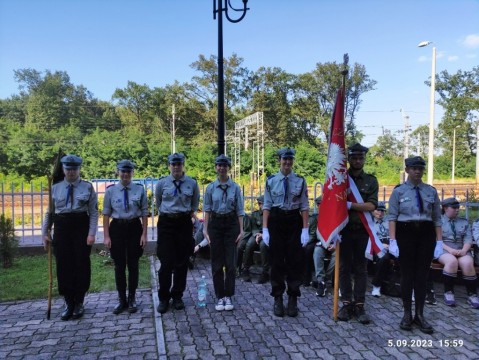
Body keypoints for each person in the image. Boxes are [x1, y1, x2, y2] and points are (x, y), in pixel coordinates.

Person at [388, 156, 442, 334]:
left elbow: (437, 218)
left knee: (422, 275)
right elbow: (392, 218)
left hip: (426, 233)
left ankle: (420, 314)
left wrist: (439, 241)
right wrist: (393, 240)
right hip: (405, 233)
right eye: (413, 168)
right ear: (407, 170)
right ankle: (406, 314)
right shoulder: (399, 192)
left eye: (420, 168)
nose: (417, 171)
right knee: (406, 275)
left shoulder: (430, 191)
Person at [42, 154, 98, 320]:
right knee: (63, 265)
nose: (71, 171)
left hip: (80, 226)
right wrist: (45, 232)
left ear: (79, 169)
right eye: (68, 168)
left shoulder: (87, 187)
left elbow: (94, 212)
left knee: (81, 264)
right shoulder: (55, 188)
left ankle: (79, 302)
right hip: (62, 227)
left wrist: (91, 233)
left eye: (74, 168)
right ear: (64, 170)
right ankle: (68, 302)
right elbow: (50, 213)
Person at [262, 147, 309, 317]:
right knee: (276, 262)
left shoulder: (300, 181)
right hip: (276, 221)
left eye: (290, 160)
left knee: (294, 262)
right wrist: (265, 229)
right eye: (284, 159)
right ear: (279, 160)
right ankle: (277, 298)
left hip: (293, 222)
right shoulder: (271, 180)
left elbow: (304, 206)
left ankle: (293, 298)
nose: (287, 163)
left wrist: (305, 229)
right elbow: (266, 205)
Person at [337, 143, 378, 325]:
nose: (357, 161)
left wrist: (350, 205)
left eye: (360, 158)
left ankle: (360, 305)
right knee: (344, 268)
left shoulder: (371, 180)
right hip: (344, 230)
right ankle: (346, 304)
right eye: (354, 158)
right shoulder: (340, 179)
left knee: (361, 269)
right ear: (349, 159)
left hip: (362, 231)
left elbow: (371, 206)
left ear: (364, 159)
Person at [155, 153, 200, 314]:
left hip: (183, 223)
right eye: (173, 164)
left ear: (183, 165)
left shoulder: (192, 184)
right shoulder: (162, 183)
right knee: (166, 263)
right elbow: (159, 202)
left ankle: (177, 296)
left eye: (179, 164)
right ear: (169, 165)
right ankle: (164, 298)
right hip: (167, 223)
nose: (176, 167)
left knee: (182, 262)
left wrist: (184, 216)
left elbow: (194, 204)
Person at [102, 160, 148, 314]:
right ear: (118, 172)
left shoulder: (139, 190)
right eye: (123, 171)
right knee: (119, 265)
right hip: (117, 229)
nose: (126, 174)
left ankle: (132, 298)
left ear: (132, 173)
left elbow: (144, 213)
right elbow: (106, 214)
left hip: (134, 228)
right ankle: (122, 299)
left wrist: (144, 234)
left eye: (128, 172)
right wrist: (107, 236)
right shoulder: (110, 191)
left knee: (133, 264)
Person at [203, 154, 245, 311]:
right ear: (216, 167)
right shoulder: (210, 188)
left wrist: (241, 230)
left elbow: (240, 210)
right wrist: (205, 229)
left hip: (231, 224)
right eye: (219, 165)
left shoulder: (235, 188)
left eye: (224, 165)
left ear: (229, 168)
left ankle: (229, 295)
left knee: (231, 263)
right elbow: (207, 209)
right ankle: (220, 297)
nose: (221, 168)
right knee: (217, 264)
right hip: (216, 224)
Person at [437, 197, 479, 309]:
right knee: (451, 262)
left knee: (467, 263)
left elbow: (468, 239)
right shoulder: (438, 222)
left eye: (458, 207)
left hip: (461, 249)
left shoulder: (463, 222)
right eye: (454, 207)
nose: (457, 210)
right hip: (444, 249)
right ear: (445, 208)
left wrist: (464, 250)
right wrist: (450, 251)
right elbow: (437, 240)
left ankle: (472, 294)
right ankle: (449, 293)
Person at [240, 195, 270, 284]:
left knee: (263, 245)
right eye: (263, 204)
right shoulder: (255, 214)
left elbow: (273, 227)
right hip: (256, 235)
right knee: (249, 244)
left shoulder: (271, 214)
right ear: (259, 204)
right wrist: (257, 234)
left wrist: (263, 234)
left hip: (267, 235)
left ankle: (265, 272)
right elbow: (253, 227)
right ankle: (246, 269)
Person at [312, 196, 336, 297]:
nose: (320, 207)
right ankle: (321, 281)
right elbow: (314, 234)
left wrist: (334, 245)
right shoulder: (315, 217)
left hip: (335, 244)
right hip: (322, 244)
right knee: (317, 252)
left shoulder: (336, 216)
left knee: (337, 255)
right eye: (319, 205)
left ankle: (326, 279)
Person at [370, 202, 394, 297]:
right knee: (383, 258)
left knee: (406, 258)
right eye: (378, 210)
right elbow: (368, 239)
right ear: (372, 211)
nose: (380, 213)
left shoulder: (388, 221)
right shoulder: (369, 222)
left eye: (382, 211)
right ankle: (376, 286)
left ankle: (409, 288)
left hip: (391, 245)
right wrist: (380, 245)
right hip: (376, 246)